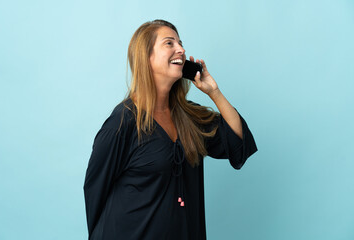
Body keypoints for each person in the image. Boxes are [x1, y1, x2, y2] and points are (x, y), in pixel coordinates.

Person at [83, 19, 257, 240]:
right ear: (147, 57)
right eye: (169, 43)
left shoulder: (189, 117)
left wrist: (214, 92)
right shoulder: (122, 123)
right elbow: (95, 191)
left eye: (180, 42)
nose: (181, 49)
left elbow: (238, 141)